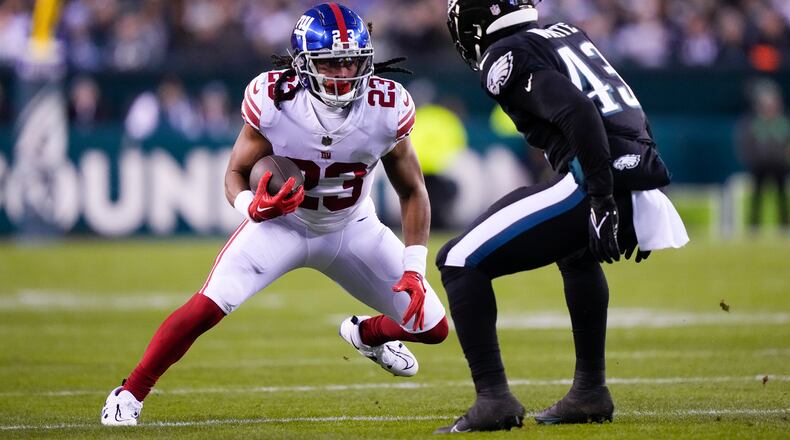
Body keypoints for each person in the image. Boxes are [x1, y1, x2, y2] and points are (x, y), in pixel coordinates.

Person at [100, 3, 448, 426]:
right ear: (303, 65)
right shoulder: (274, 99)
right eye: (332, 63)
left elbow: (412, 189)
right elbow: (234, 173)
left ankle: (366, 335)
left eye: (352, 61)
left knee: (433, 327)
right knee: (207, 307)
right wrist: (253, 206)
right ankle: (129, 393)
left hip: (353, 227)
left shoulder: (386, 106)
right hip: (281, 225)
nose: (344, 73)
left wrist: (415, 268)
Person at [437, 0, 689, 432]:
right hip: (630, 168)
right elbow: (625, 112)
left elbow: (579, 111)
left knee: (459, 261)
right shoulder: (566, 33)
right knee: (576, 256)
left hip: (594, 179)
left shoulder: (505, 55)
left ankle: (493, 399)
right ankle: (590, 390)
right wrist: (639, 187)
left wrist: (603, 198)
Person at [736, 78, 789, 231]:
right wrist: (751, 159)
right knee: (757, 196)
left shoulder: (783, 122)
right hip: (760, 166)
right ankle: (754, 226)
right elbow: (746, 144)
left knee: (781, 196)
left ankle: (784, 225)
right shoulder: (753, 122)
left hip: (780, 165)